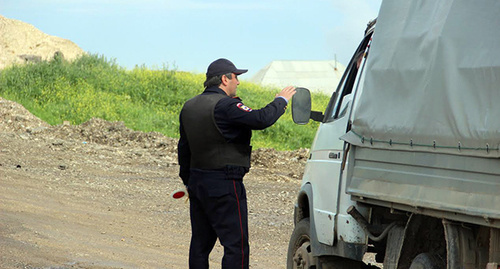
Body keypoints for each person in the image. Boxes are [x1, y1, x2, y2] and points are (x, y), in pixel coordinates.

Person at [178, 58, 296, 269]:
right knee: (236, 246)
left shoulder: (189, 106)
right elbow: (261, 119)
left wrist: (188, 182)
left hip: (197, 182)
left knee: (200, 245)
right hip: (224, 183)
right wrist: (281, 100)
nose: (238, 82)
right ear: (225, 79)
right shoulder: (225, 105)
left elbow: (183, 149)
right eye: (236, 77)